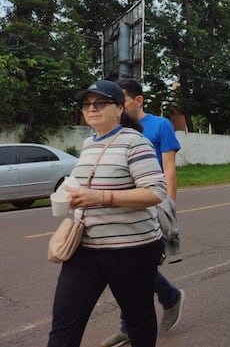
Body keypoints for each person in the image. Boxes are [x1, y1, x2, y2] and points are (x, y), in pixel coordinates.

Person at [48, 80, 167, 347]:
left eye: (100, 103)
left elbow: (156, 192)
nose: (91, 109)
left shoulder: (135, 142)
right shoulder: (89, 143)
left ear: (119, 108)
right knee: (64, 321)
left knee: (138, 319)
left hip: (131, 249)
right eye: (87, 104)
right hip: (85, 247)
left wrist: (99, 197)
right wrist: (69, 195)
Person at [100, 79, 185, 347]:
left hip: (152, 203)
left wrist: (168, 205)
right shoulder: (116, 128)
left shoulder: (160, 125)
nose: (118, 106)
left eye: (121, 100)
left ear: (138, 100)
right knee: (129, 267)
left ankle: (129, 326)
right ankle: (168, 296)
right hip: (123, 205)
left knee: (134, 268)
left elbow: (168, 167)